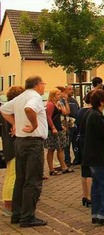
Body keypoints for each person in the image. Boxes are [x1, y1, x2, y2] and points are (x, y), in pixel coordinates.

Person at [0, 75, 49, 227]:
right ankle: (28, 216)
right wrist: (34, 125)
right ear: (38, 85)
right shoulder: (34, 97)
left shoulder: (20, 97)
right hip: (33, 142)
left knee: (20, 179)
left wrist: (15, 123)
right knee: (33, 180)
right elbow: (30, 109)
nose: (44, 87)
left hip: (20, 142)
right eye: (43, 84)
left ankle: (17, 213)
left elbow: (3, 109)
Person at [82, 89, 104, 225]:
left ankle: (96, 213)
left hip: (93, 155)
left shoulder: (92, 114)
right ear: (101, 102)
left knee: (97, 184)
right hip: (98, 156)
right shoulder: (97, 116)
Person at [1, 86, 25, 217]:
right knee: (13, 175)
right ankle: (9, 203)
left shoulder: (9, 110)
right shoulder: (12, 112)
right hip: (13, 146)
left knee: (12, 174)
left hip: (9, 146)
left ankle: (9, 202)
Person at [44, 88, 73, 176]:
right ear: (53, 96)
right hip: (52, 129)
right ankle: (51, 169)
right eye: (58, 94)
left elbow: (66, 112)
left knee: (60, 148)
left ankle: (63, 166)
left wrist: (64, 102)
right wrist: (53, 127)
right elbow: (48, 117)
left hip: (59, 127)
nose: (60, 95)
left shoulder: (58, 104)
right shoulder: (50, 104)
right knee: (51, 149)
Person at [77, 91, 94, 207]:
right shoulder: (91, 113)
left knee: (84, 169)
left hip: (81, 140)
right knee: (90, 170)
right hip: (89, 141)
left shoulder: (80, 111)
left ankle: (85, 195)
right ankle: (90, 196)